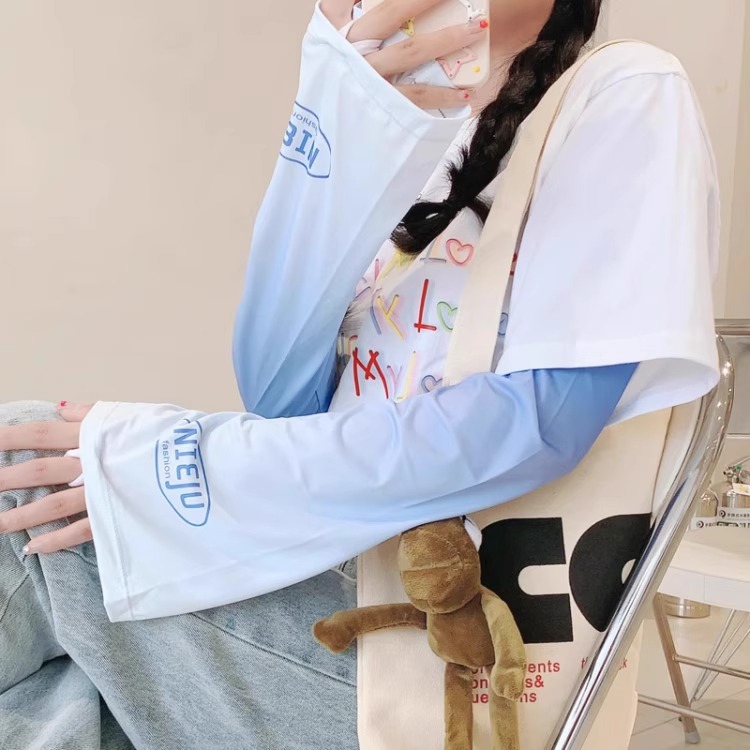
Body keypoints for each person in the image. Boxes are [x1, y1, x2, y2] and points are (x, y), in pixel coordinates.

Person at [0, 0, 719, 747]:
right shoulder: (426, 135)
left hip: (453, 651)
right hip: (332, 584)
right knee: (62, 712)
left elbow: (541, 425)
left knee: (28, 473)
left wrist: (192, 468)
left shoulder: (625, 93)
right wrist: (330, 137)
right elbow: (280, 397)